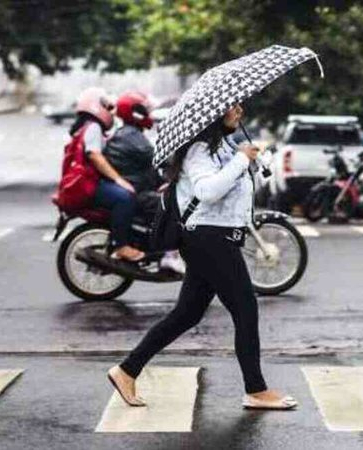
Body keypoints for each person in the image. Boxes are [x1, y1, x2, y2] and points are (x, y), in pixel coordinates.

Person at [107, 103, 297, 410]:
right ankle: (255, 389)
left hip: (216, 237)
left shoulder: (223, 145)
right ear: (215, 115)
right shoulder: (198, 150)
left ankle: (127, 370)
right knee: (246, 308)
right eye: (233, 108)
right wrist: (239, 160)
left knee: (188, 313)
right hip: (207, 238)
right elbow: (208, 191)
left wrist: (247, 160)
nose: (240, 111)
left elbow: (235, 190)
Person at [103, 91, 184, 273]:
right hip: (138, 192)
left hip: (135, 187)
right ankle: (169, 256)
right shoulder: (131, 136)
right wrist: (181, 161)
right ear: (136, 113)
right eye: (145, 110)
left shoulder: (128, 133)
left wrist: (164, 180)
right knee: (174, 205)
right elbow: (158, 158)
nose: (149, 114)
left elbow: (148, 166)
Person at [72, 87, 144, 262]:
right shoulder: (93, 127)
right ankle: (121, 246)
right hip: (88, 184)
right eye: (107, 107)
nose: (111, 112)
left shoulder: (87, 126)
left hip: (87, 181)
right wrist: (118, 180)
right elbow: (95, 156)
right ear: (96, 106)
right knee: (125, 197)